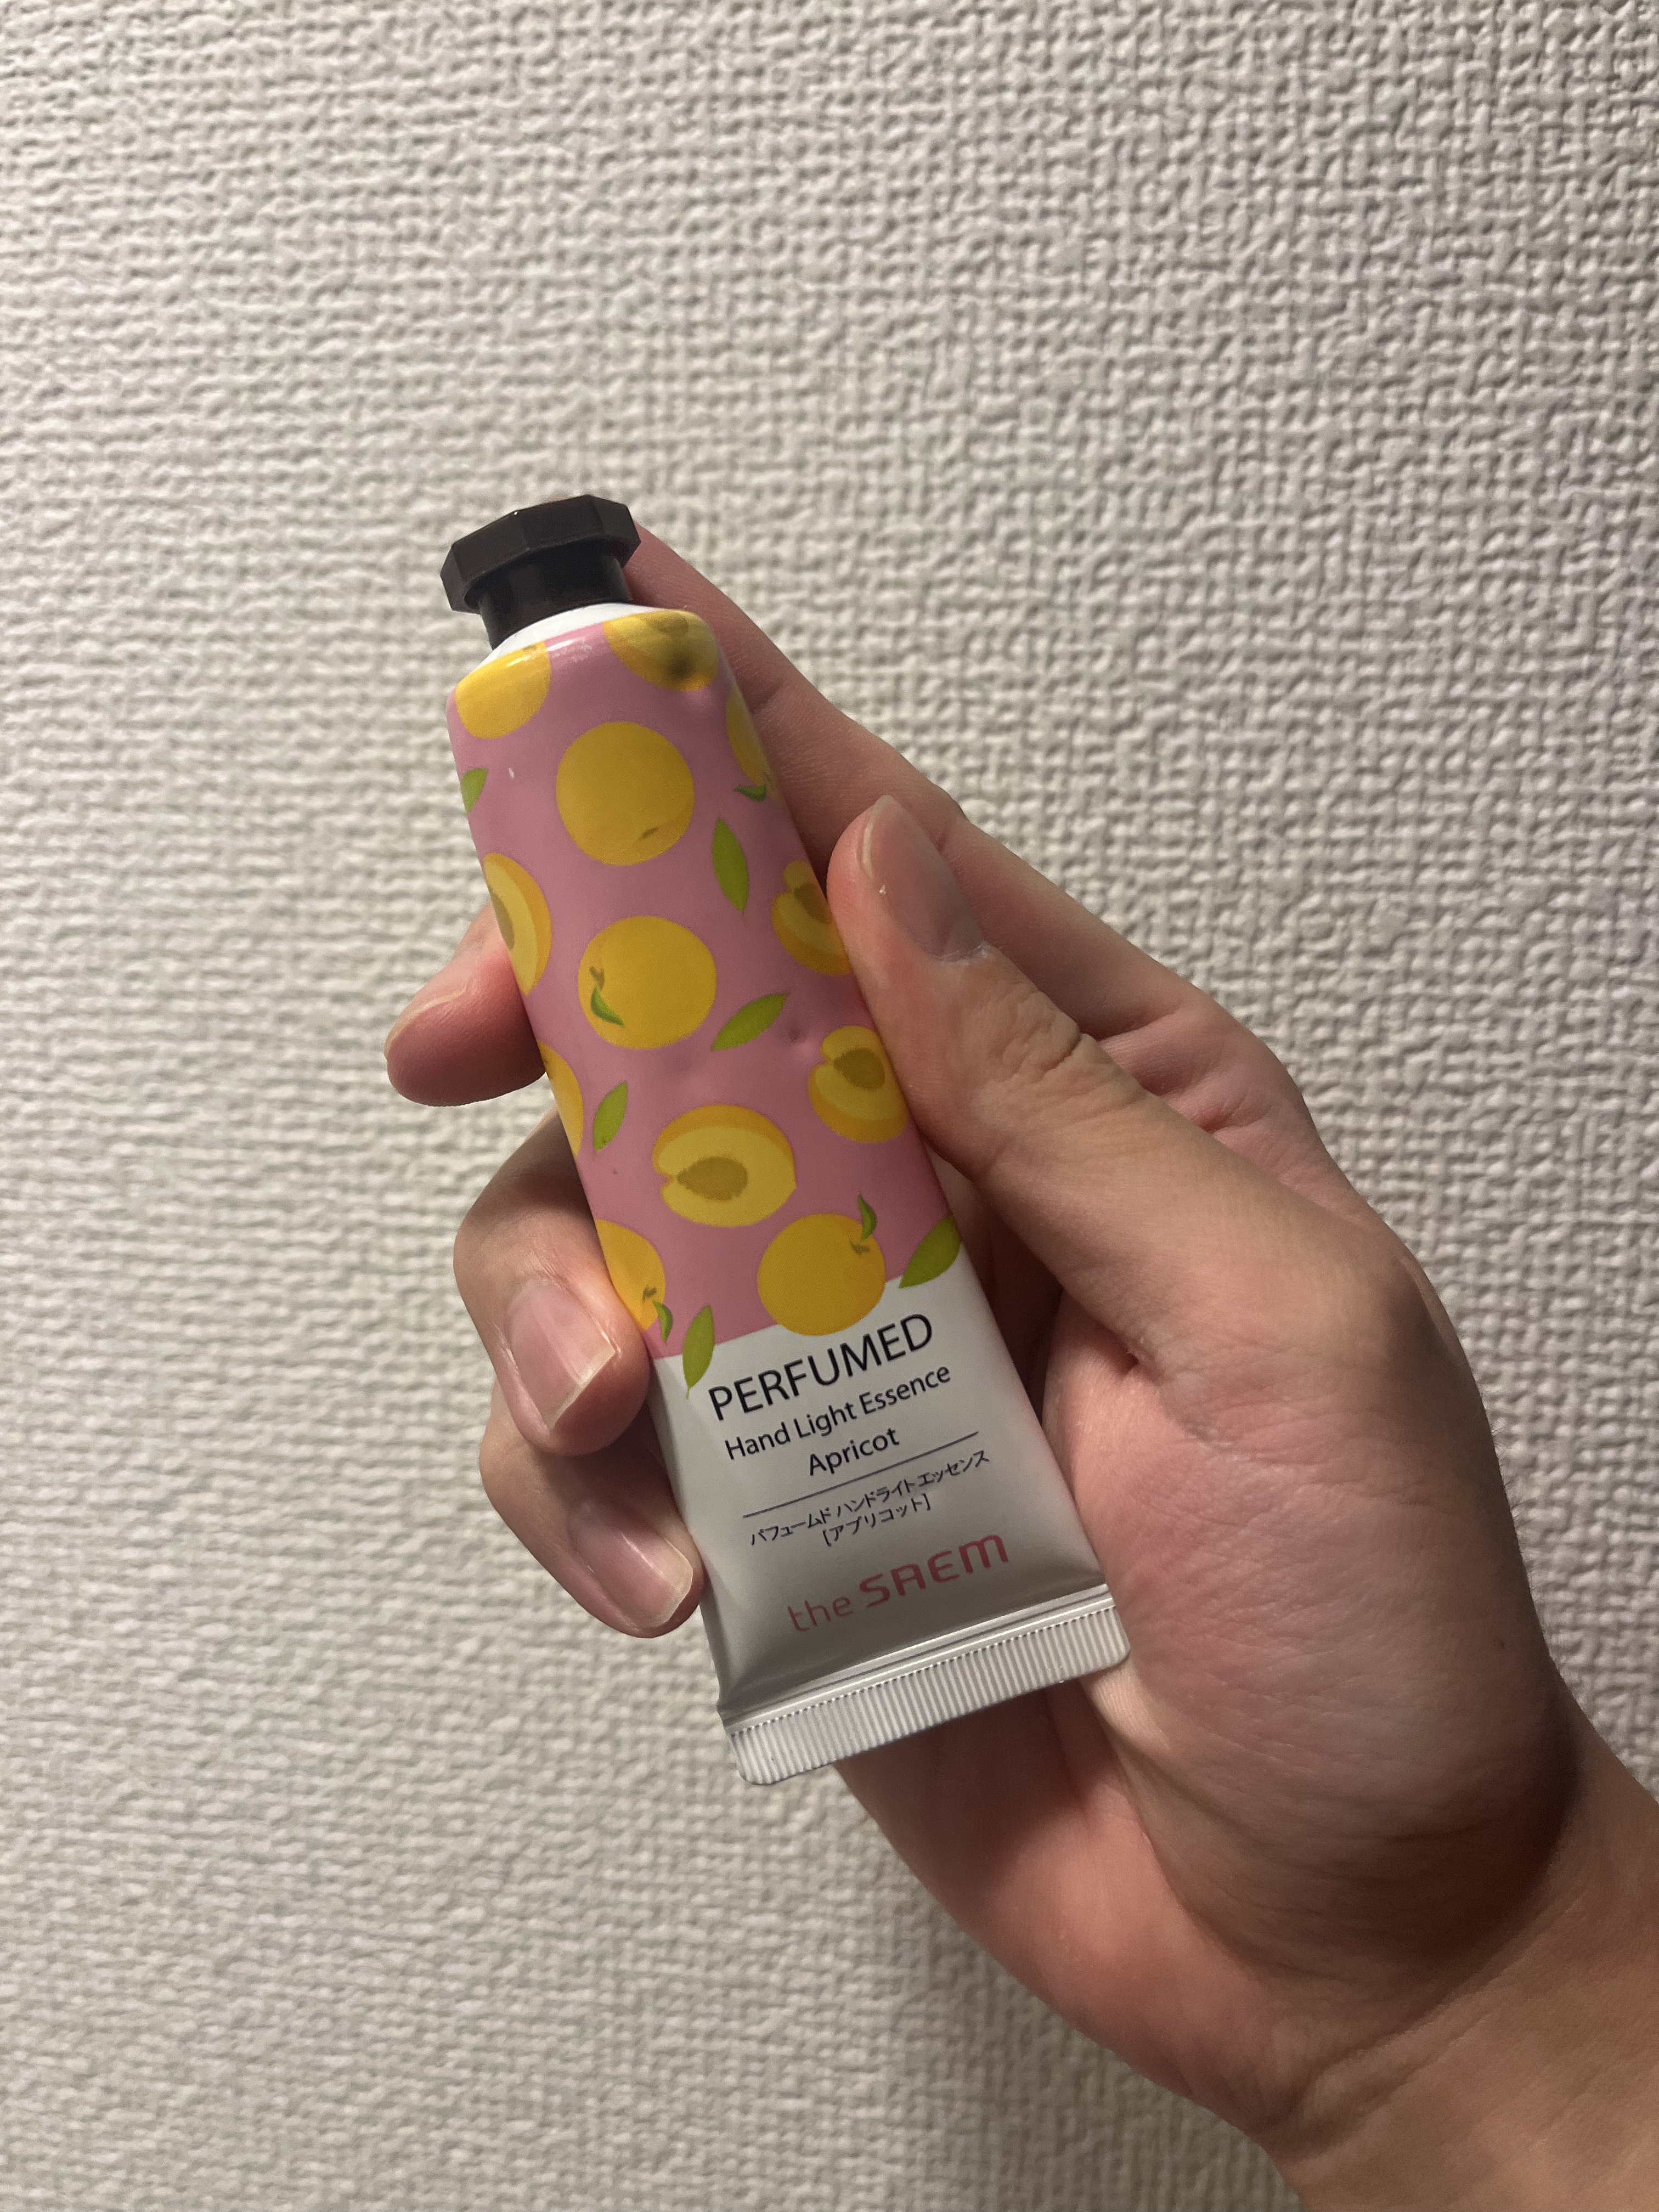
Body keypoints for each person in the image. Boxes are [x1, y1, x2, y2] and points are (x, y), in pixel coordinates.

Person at [385, 531, 1659, 2209]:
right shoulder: (549, 713)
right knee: (641, 1160)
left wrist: (1466, 1964)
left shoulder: (636, 690)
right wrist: (1448, 1998)